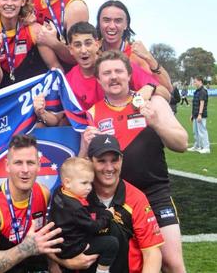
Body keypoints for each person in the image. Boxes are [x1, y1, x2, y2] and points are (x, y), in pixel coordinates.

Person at [83, 50, 188, 273]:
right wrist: (84, 147)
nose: (113, 77)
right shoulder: (93, 113)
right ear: (99, 79)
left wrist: (157, 124)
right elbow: (85, 167)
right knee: (127, 264)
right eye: (107, 72)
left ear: (129, 75)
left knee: (172, 263)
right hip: (119, 200)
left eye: (118, 71)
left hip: (155, 193)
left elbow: (182, 143)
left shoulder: (153, 102)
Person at [0, 134, 64, 273]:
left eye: (30, 163)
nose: (25, 170)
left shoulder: (43, 193)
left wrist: (53, 265)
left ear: (39, 165)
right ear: (7, 166)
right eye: (18, 163)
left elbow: (42, 240)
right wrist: (25, 248)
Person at [80, 134, 164, 273]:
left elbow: (152, 253)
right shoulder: (76, 196)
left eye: (114, 160)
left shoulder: (136, 198)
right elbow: (56, 244)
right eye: (102, 161)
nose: (109, 168)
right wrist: (67, 261)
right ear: (89, 162)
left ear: (122, 160)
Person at [0, 0, 60, 89]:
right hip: (1, 100)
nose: (9, 3)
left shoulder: (34, 30)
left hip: (31, 98)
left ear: (23, 1)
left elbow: (56, 69)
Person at [49, 157, 118, 273]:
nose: (89, 188)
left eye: (90, 183)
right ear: (67, 182)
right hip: (72, 248)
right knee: (111, 243)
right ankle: (102, 270)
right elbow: (94, 227)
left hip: (61, 245)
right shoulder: (77, 208)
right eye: (84, 183)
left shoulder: (58, 192)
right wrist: (107, 215)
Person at [96, 0, 173, 92]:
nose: (112, 26)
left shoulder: (135, 56)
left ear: (126, 25)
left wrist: (149, 58)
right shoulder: (90, 51)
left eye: (118, 21)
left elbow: (167, 89)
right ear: (99, 23)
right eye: (106, 20)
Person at [189, 76, 210, 153]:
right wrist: (192, 114)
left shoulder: (203, 91)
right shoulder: (197, 91)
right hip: (195, 115)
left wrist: (200, 114)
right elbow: (195, 104)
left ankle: (206, 148)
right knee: (195, 132)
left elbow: (202, 103)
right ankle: (197, 146)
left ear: (200, 81)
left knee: (202, 131)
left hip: (200, 115)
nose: (194, 83)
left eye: (195, 81)